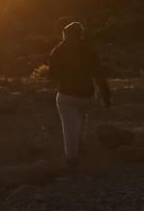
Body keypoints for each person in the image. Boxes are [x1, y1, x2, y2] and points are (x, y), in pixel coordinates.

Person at [48, 21, 111, 172]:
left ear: (65, 33)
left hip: (66, 95)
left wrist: (65, 79)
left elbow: (52, 75)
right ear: (80, 34)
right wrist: (105, 94)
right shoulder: (88, 50)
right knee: (80, 122)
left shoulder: (57, 51)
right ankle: (78, 148)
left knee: (69, 128)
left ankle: (72, 159)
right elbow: (98, 73)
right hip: (86, 95)